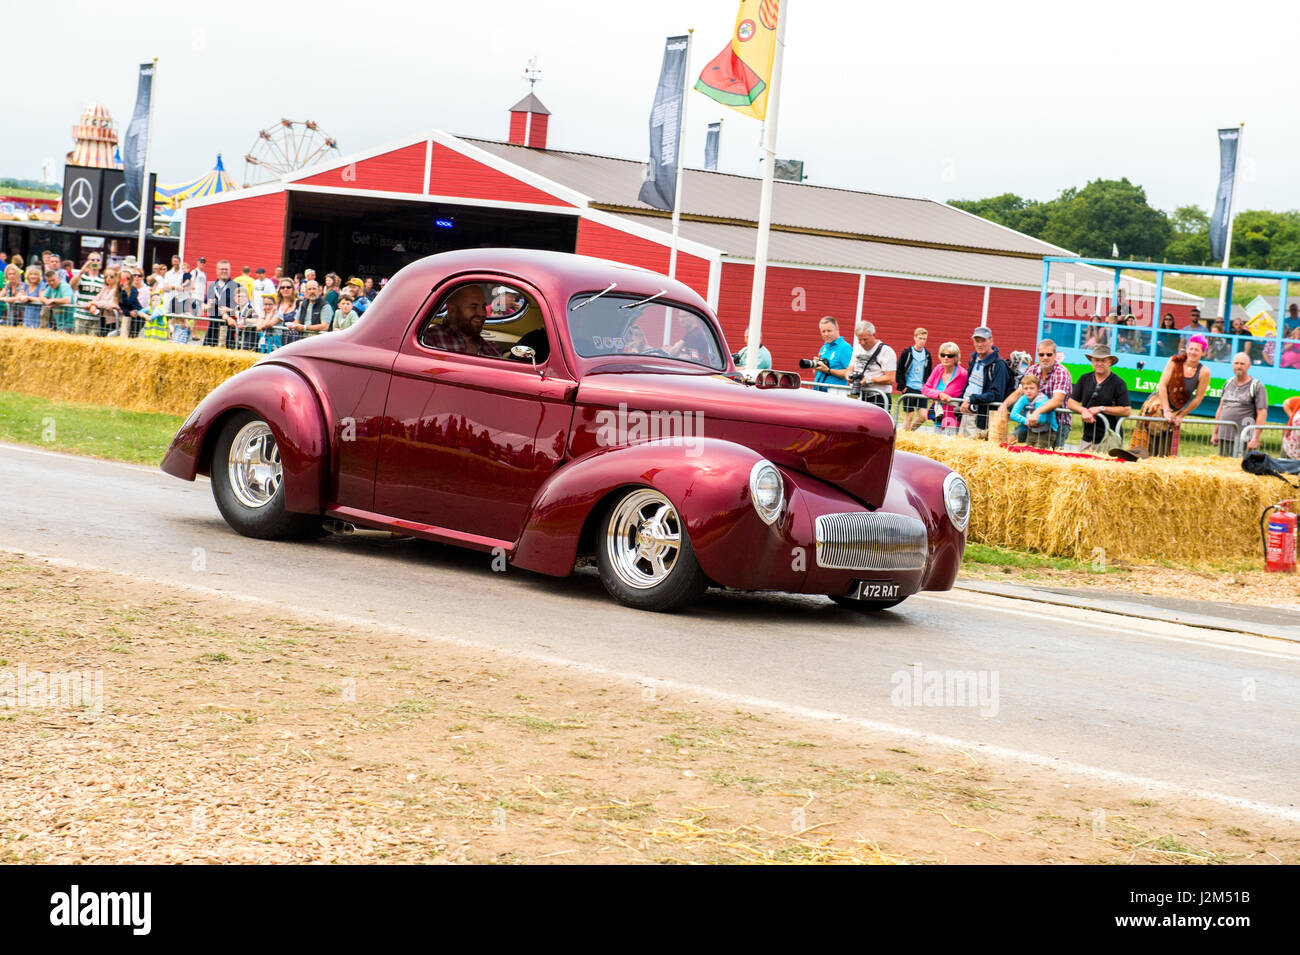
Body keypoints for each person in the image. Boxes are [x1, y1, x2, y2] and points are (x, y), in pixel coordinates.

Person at [1131, 335, 1212, 457]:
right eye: (1191, 348)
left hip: (1177, 408)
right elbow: (1162, 385)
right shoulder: (1174, 361)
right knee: (1152, 421)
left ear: (1203, 353)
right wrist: (1166, 410)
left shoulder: (1204, 372)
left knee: (1164, 447)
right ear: (1187, 348)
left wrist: (1181, 415)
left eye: (1197, 350)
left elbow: (1199, 398)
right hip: (1158, 403)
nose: (1193, 352)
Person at [1067, 344, 1131, 452]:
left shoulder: (1118, 383)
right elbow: (1071, 402)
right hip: (1087, 437)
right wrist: (1083, 410)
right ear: (1091, 361)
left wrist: (1101, 408)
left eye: (1103, 360)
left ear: (1110, 362)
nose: (1099, 363)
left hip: (1110, 439)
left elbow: (1126, 410)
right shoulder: (1084, 378)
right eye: (1096, 360)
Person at [958, 325, 1011, 438]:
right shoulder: (974, 359)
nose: (980, 344)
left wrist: (973, 399)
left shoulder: (998, 365)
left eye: (983, 341)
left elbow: (997, 395)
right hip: (966, 411)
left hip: (981, 418)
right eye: (977, 341)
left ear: (991, 341)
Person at [1213, 352, 1268, 456]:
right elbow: (1221, 408)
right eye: (1236, 363)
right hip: (1224, 436)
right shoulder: (1228, 383)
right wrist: (1215, 432)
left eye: (1242, 364)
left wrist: (1255, 437)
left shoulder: (1257, 386)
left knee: (1240, 469)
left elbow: (1262, 413)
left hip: (1244, 438)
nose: (1239, 366)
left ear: (1249, 366)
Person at [422, 284, 500, 356]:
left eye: (483, 307)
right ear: (452, 309)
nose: (482, 313)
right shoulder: (431, 339)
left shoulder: (490, 347)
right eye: (474, 307)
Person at [921, 341, 968, 435]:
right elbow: (925, 389)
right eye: (943, 355)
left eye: (949, 356)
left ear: (956, 357)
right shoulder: (938, 369)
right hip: (937, 415)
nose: (946, 358)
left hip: (952, 418)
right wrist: (939, 394)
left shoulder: (963, 374)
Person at [847, 320, 896, 409]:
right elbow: (850, 368)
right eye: (859, 339)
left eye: (865, 339)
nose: (862, 343)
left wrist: (868, 380)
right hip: (858, 395)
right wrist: (849, 376)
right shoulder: (857, 348)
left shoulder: (886, 351)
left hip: (878, 397)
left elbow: (890, 378)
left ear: (873, 335)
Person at [896, 327, 933, 430]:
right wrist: (902, 386)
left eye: (924, 339)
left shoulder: (927, 355)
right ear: (915, 338)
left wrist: (928, 388)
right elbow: (899, 369)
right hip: (909, 387)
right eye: (920, 338)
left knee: (923, 416)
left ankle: (910, 432)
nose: (922, 341)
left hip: (921, 389)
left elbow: (929, 373)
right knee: (910, 415)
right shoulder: (907, 352)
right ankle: (904, 435)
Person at [1009, 373, 1058, 448]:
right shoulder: (1024, 397)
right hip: (1033, 428)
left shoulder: (1041, 399)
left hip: (1048, 430)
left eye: (1032, 388)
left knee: (1040, 449)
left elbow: (1040, 419)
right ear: (1022, 389)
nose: (1028, 391)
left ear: (1038, 388)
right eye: (1026, 388)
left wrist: (1028, 415)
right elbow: (1013, 414)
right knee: (1029, 448)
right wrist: (1026, 420)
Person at [810, 316, 853, 392]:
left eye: (829, 331)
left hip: (834, 396)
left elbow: (850, 373)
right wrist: (815, 366)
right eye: (823, 331)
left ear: (837, 329)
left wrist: (828, 370)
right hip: (818, 392)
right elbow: (817, 374)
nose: (826, 334)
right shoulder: (824, 348)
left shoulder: (845, 348)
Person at [204, 260, 239, 347]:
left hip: (230, 328)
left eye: (226, 269)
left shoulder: (237, 286)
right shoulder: (212, 286)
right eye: (222, 269)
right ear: (217, 271)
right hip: (213, 328)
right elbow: (204, 305)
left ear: (230, 270)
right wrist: (207, 306)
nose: (224, 271)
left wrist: (229, 311)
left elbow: (244, 308)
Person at [85, 267, 122, 333]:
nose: (108, 278)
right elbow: (96, 299)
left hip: (114, 320)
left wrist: (94, 304)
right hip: (103, 319)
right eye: (106, 276)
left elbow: (110, 304)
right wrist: (93, 304)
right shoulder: (105, 288)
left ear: (116, 278)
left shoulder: (118, 289)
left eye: (111, 276)